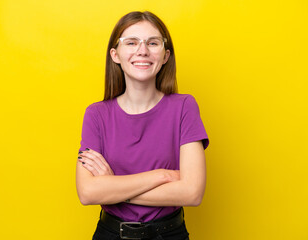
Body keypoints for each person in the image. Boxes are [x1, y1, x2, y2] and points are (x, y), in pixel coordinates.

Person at [76, 11, 209, 240]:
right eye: (131, 42)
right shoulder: (96, 114)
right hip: (111, 234)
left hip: (169, 234)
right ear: (115, 54)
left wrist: (112, 188)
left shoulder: (184, 107)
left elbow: (192, 192)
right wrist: (161, 176)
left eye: (153, 42)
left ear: (165, 55)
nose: (142, 50)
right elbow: (87, 192)